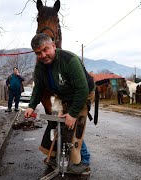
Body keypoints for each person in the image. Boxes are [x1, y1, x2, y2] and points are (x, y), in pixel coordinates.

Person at [24, 33, 95, 174]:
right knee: (56, 123)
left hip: (83, 93)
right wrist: (31, 106)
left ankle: (84, 163)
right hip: (63, 95)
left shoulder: (69, 60)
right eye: (38, 53)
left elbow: (82, 89)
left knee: (73, 126)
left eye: (46, 50)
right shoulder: (40, 66)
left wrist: (73, 114)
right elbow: (38, 87)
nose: (43, 55)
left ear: (53, 46)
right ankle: (55, 156)